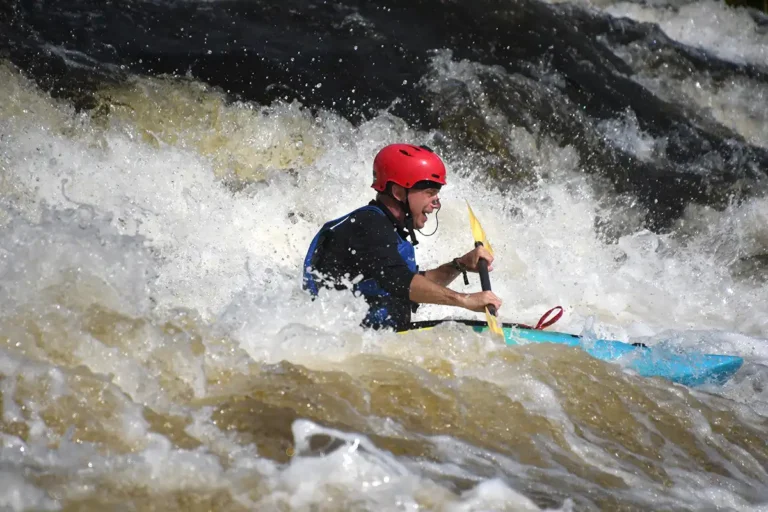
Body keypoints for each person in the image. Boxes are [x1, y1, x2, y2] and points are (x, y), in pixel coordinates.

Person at [302, 143, 502, 331]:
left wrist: (460, 265)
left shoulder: (386, 228)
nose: (436, 203)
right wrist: (464, 299)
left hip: (373, 337)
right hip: (345, 341)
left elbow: (414, 284)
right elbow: (399, 281)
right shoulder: (369, 224)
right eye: (430, 192)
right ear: (398, 192)